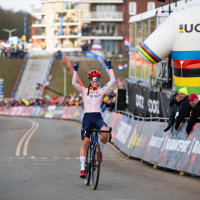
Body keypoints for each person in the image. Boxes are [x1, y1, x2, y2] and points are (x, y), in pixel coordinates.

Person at [72, 59, 115, 179]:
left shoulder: (101, 91)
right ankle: (82, 169)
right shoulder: (84, 91)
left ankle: (98, 151)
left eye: (97, 79)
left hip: (97, 117)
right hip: (87, 118)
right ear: (90, 81)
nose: (95, 81)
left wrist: (110, 67)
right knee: (85, 142)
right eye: (93, 79)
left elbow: (112, 81)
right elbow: (74, 84)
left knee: (106, 133)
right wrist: (75, 70)